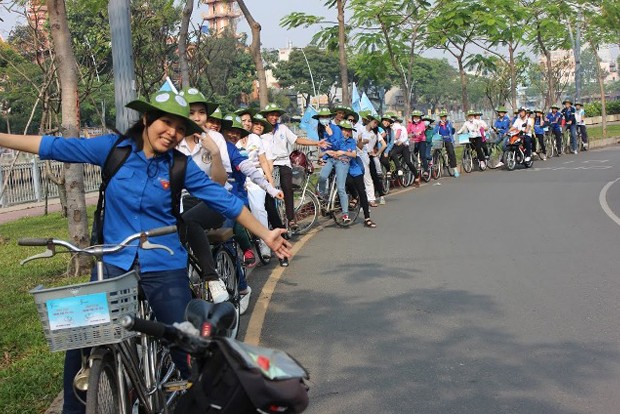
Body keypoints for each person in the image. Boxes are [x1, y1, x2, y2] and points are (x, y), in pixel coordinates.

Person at [0, 91, 291, 414]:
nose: (172, 133)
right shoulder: (114, 149)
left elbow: (224, 200)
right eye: (166, 122)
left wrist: (265, 233)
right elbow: (52, 147)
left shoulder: (179, 166)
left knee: (185, 344)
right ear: (147, 119)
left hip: (162, 262)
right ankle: (74, 409)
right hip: (112, 261)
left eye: (180, 128)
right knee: (81, 338)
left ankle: (203, 402)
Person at [176, 87, 231, 304]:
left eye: (201, 112)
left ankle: (211, 277)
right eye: (191, 112)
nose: (197, 117)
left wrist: (214, 152)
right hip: (181, 201)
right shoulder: (175, 140)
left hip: (213, 199)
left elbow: (219, 182)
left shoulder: (215, 138)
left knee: (189, 221)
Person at [260, 103, 329, 267]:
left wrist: (316, 143)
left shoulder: (283, 129)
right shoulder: (261, 132)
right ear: (265, 117)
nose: (274, 117)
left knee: (288, 188)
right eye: (271, 114)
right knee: (268, 194)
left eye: (276, 114)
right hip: (268, 165)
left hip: (283, 162)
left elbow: (297, 139)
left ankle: (290, 219)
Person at [221, 114, 283, 279]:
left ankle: (261, 245)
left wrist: (270, 187)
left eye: (237, 132)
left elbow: (252, 167)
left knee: (253, 210)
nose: (234, 135)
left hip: (241, 190)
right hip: (214, 195)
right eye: (230, 131)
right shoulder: (208, 144)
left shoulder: (237, 147)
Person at [315, 107, 351, 223]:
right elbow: (325, 148)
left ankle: (345, 214)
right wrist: (324, 156)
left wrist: (330, 134)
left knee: (340, 188)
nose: (324, 119)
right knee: (322, 177)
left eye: (326, 117)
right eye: (322, 117)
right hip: (330, 159)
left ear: (330, 118)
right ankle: (323, 196)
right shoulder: (320, 130)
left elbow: (338, 146)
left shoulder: (335, 129)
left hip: (341, 159)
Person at [338, 120, 376, 228]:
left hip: (355, 169)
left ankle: (367, 218)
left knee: (362, 192)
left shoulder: (351, 142)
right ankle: (354, 196)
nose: (346, 132)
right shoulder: (337, 142)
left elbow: (354, 154)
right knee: (347, 182)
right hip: (343, 169)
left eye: (348, 130)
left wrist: (344, 153)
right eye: (344, 130)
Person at [391, 113, 419, 185]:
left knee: (408, 162)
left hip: (404, 146)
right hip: (394, 145)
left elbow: (405, 137)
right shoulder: (390, 129)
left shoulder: (402, 128)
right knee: (391, 154)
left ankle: (416, 175)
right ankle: (394, 170)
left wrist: (400, 141)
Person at [433, 111, 459, 177]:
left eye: (444, 117)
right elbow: (434, 131)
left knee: (451, 152)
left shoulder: (449, 123)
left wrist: (453, 128)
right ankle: (435, 167)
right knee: (436, 151)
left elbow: (451, 131)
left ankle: (455, 169)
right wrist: (439, 126)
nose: (443, 118)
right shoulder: (438, 124)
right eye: (442, 117)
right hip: (440, 140)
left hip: (448, 139)